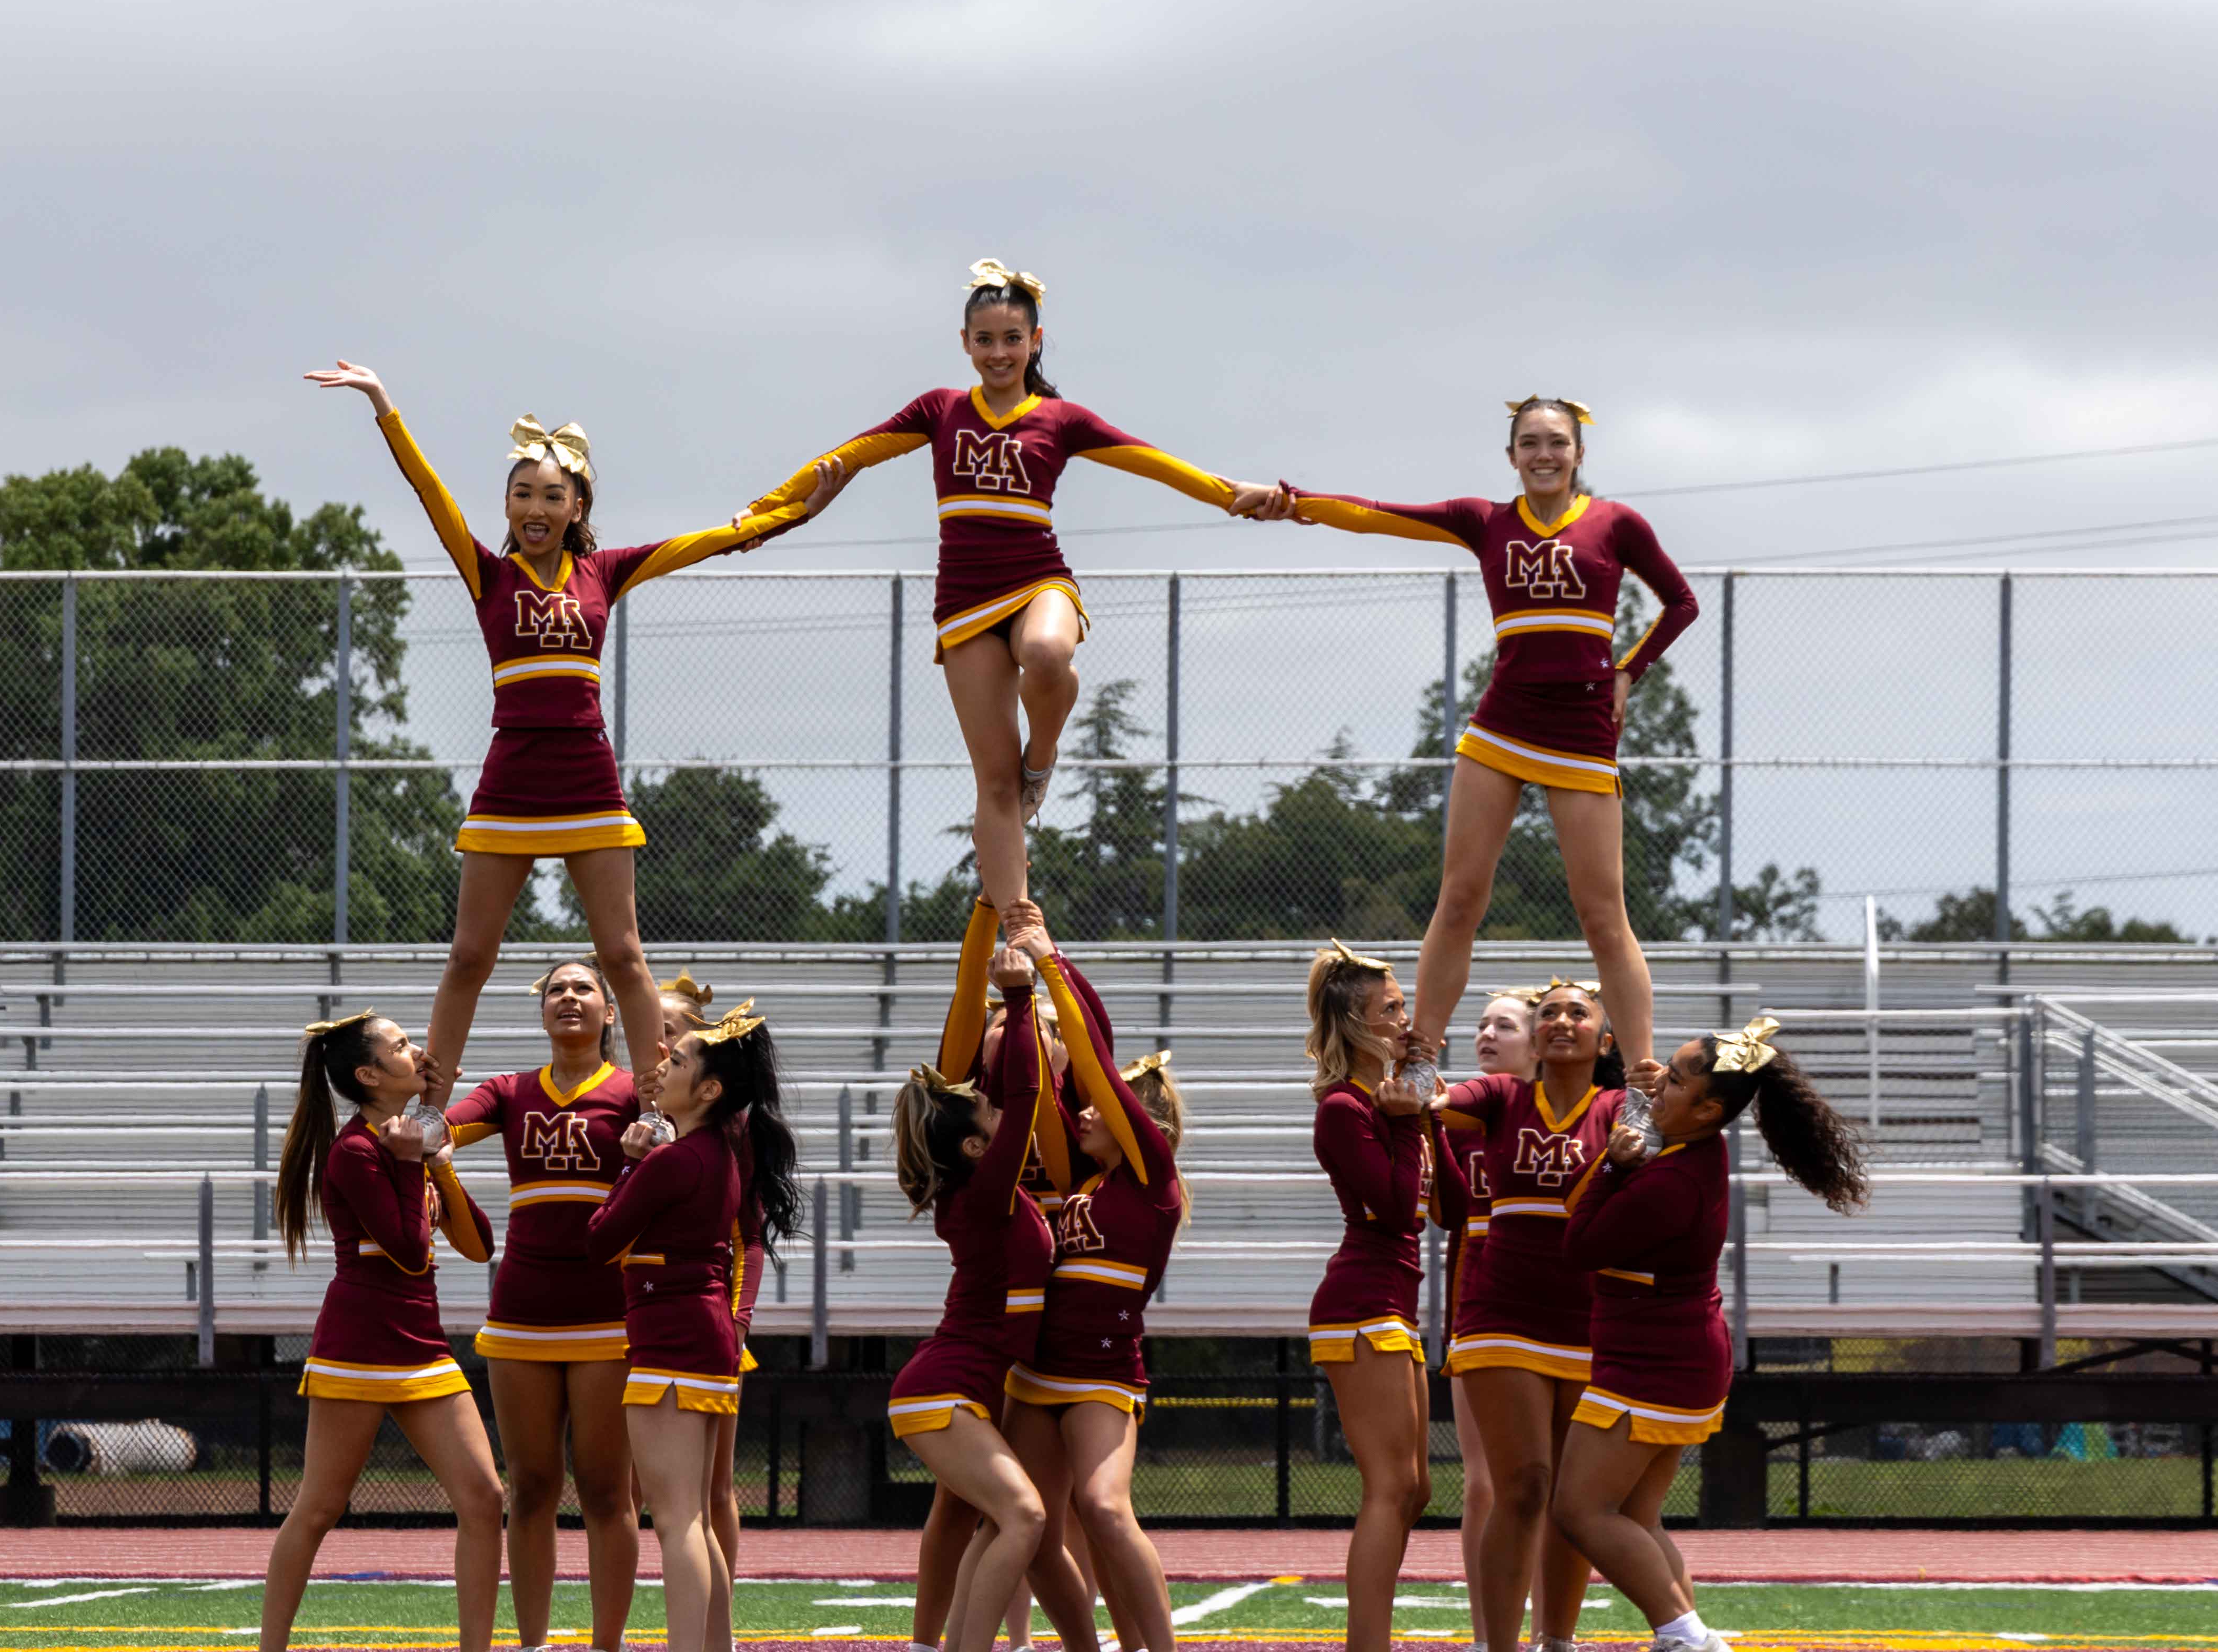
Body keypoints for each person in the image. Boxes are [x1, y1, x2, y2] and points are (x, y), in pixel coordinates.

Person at [306, 361, 857, 1094]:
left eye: (552, 495)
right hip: (511, 778)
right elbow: (429, 492)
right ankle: (433, 1107)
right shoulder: (488, 576)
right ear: (507, 505)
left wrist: (790, 514)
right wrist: (384, 406)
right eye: (522, 494)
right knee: (470, 956)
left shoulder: (606, 571)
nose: (535, 507)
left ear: (576, 506)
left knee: (625, 957)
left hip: (588, 778)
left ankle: (656, 1105)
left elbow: (707, 541)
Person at [747, 261, 1281, 909]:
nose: (998, 353)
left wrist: (1231, 496)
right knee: (995, 787)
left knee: (1049, 654)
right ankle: (1020, 920)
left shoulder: (1062, 419)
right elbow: (852, 454)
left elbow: (1154, 461)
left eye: (1011, 339)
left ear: (1035, 341)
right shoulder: (939, 410)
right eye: (985, 339)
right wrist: (773, 510)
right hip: (965, 599)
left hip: (1037, 578)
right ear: (966, 343)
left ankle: (1044, 752)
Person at [1261, 399, 1697, 1093]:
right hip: (1502, 726)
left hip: (1582, 735)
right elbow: (1377, 514)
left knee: (1602, 915)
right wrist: (1295, 503)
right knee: (1460, 897)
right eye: (1530, 443)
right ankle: (1422, 1057)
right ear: (1511, 456)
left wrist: (1627, 673)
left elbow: (1681, 602)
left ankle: (1642, 1080)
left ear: (1578, 454)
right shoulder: (1484, 520)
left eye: (1557, 442)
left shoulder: (1617, 524)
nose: (1543, 454)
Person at [1551, 1018, 1868, 1652]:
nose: (1659, 1083)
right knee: (1634, 1518)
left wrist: (1612, 1164)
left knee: (1578, 1509)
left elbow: (1578, 1245)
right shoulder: (1689, 1154)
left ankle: (1686, 1638)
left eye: (1677, 1078)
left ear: (1708, 1111)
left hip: (1654, 1362)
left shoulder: (1672, 1180)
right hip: (1677, 1354)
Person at [243, 1012, 520, 1652]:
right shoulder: (357, 1152)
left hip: (421, 1342)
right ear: (369, 1076)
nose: (417, 1051)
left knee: (485, 1497)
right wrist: (408, 1164)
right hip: (358, 1345)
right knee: (320, 1505)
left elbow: (479, 1247)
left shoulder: (407, 1145)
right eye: (400, 1045)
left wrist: (440, 1165)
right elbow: (404, 1246)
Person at [884, 936, 1111, 1652]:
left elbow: (1025, 1097)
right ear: (980, 1146)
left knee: (996, 1518)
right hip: (947, 1388)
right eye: (985, 1115)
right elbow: (1019, 1100)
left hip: (967, 1386)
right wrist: (1017, 997)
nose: (993, 1100)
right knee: (1024, 1515)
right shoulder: (985, 1192)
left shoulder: (983, 1192)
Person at [996, 903, 1194, 1652]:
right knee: (1030, 1522)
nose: (1083, 1108)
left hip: (1106, 1369)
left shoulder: (1153, 1182)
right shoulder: (1080, 1182)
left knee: (1105, 1508)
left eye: (1100, 1108)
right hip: (1039, 1368)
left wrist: (1053, 960)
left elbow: (1097, 1061)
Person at [582, 1003, 802, 1652]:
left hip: (673, 1334)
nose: (665, 1066)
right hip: (699, 1332)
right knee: (696, 1517)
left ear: (709, 1090)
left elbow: (598, 1239)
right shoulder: (720, 1154)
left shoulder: (677, 1158)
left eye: (679, 1062)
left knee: (676, 1517)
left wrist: (630, 1163)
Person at [447, 961, 639, 1652]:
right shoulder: (510, 1091)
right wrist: (426, 1098)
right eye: (556, 990)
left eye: (583, 988)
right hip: (522, 1312)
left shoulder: (632, 1096)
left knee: (606, 1491)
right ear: (541, 1012)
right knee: (528, 1488)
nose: (568, 998)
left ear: (610, 1012)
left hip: (606, 1315)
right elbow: (437, 1135)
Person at [1438, 979, 1623, 1652]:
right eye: (1549, 1013)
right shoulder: (1501, 1098)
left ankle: (1558, 1651)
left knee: (1575, 1497)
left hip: (1585, 1322)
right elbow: (1431, 1105)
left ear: (1605, 1039)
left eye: (1580, 1012)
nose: (1562, 1022)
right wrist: (1415, 1072)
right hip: (1501, 1316)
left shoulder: (1616, 1110)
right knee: (1522, 1486)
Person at [1301, 942, 1454, 1652]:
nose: (1407, 1020)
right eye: (1391, 1010)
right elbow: (1394, 1208)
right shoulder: (1343, 1109)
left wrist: (1431, 1109)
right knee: (1390, 1486)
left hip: (1391, 1301)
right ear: (1356, 1025)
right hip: (1361, 1304)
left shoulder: (1391, 1103)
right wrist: (1402, 1120)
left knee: (1416, 1487)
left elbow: (1452, 1206)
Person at [659, 970, 764, 1652]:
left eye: (672, 1035)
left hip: (701, 1326)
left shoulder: (720, 1130)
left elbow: (750, 1235)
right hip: (653, 1321)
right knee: (669, 1499)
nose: (659, 1044)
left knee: (702, 1499)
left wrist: (739, 1317)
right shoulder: (638, 1110)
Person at [1438, 988, 1528, 1652]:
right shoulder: (1460, 1124)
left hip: (1560, 1318)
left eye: (1505, 1024)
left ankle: (1556, 1642)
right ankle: (1486, 1639)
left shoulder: (1585, 1118)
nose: (1487, 1034)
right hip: (1481, 1312)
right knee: (1483, 1485)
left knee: (1554, 1490)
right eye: (1482, 1023)